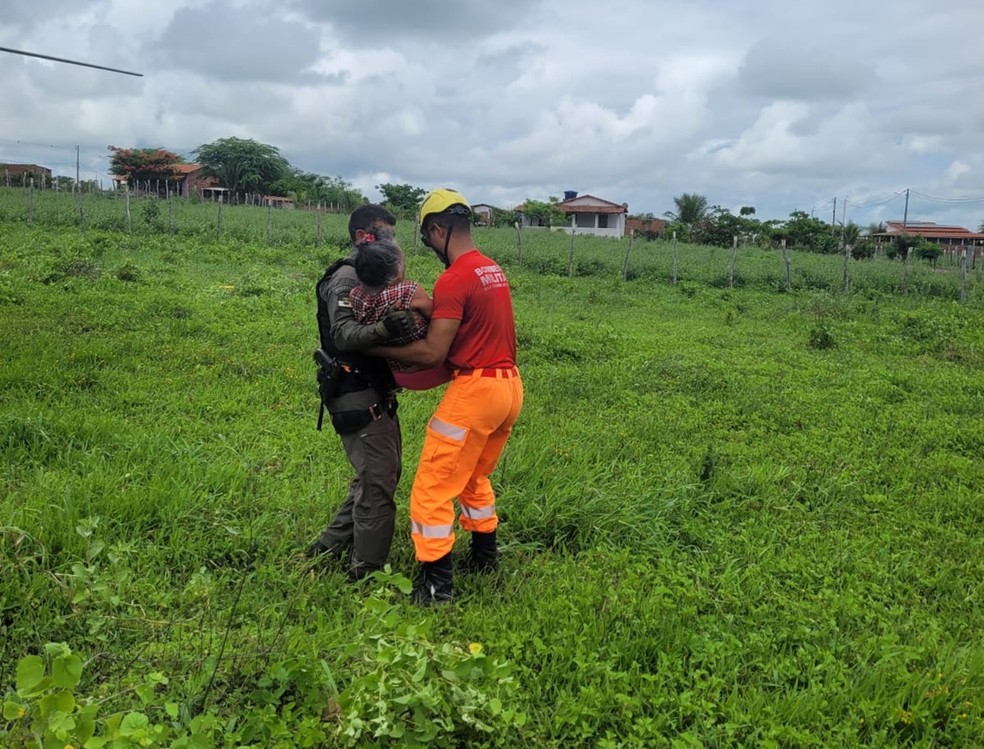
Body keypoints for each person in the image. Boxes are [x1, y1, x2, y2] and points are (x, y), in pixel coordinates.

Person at [373, 188, 523, 605]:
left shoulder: (454, 277)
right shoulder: (491, 269)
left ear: (437, 229)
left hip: (475, 391)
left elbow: (433, 353)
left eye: (427, 238)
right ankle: (485, 560)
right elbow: (473, 326)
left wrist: (373, 349)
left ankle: (437, 587)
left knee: (432, 487)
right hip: (508, 387)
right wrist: (432, 305)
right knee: (473, 476)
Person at [307, 204, 416, 582]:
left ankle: (328, 548)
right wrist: (387, 329)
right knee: (378, 482)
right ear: (360, 237)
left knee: (376, 474)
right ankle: (366, 573)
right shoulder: (346, 278)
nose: (391, 242)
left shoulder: (372, 278)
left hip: (372, 389)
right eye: (384, 234)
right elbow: (342, 334)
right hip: (355, 390)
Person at [349, 238, 451, 391]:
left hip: (397, 372)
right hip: (427, 368)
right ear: (396, 271)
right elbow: (440, 318)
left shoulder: (355, 295)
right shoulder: (408, 291)